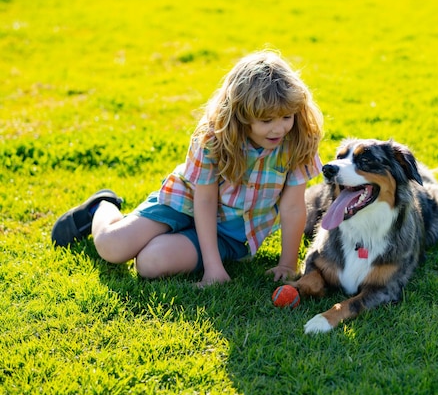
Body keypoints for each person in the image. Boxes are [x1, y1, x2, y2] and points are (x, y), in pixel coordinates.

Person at [52, 50, 324, 287]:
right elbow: (203, 200)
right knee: (113, 247)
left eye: (286, 117)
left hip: (228, 233)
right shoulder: (213, 137)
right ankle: (101, 206)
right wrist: (213, 269)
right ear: (241, 115)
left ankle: (169, 239)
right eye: (266, 121)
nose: (279, 128)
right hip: (183, 203)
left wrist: (288, 265)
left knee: (149, 264)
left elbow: (292, 207)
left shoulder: (297, 140)